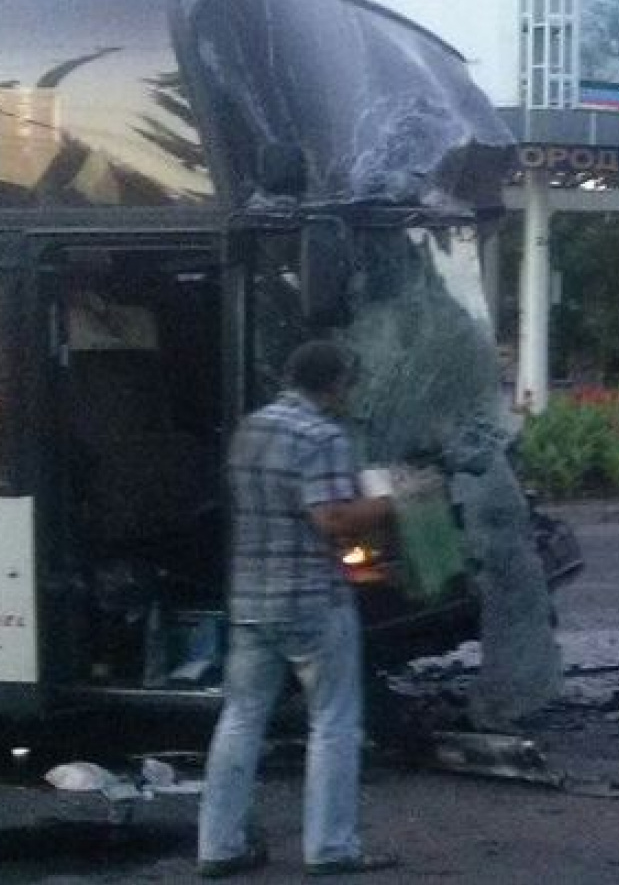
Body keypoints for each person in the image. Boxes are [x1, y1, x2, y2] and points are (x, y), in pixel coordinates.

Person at [197, 339, 398, 878]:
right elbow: (331, 520)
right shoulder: (323, 435)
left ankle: (218, 846)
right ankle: (330, 848)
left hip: (250, 599)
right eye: (347, 382)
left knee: (240, 718)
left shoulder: (251, 428)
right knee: (333, 722)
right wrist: (385, 502)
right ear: (334, 384)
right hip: (312, 601)